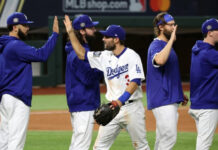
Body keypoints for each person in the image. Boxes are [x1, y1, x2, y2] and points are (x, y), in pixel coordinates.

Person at [64, 15, 150, 150]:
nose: (103, 39)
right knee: (99, 147)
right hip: (111, 109)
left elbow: (135, 81)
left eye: (107, 37)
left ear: (116, 39)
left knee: (141, 147)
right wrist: (70, 32)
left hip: (131, 108)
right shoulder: (104, 56)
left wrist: (120, 101)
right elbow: (81, 54)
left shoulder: (132, 56)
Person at [0, 12, 59, 150]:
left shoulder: (4, 45)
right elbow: (41, 55)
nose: (27, 28)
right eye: (25, 25)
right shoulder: (16, 46)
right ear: (14, 27)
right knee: (16, 142)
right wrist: (55, 35)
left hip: (6, 98)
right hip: (17, 97)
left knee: (4, 140)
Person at [146, 12, 188, 150]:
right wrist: (171, 41)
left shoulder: (165, 45)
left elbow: (170, 74)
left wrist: (179, 93)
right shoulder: (156, 45)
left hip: (169, 97)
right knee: (169, 137)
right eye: (170, 25)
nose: (173, 27)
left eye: (173, 24)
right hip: (162, 99)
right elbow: (160, 60)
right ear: (161, 27)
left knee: (162, 138)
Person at [65, 14, 103, 150]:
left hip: (79, 102)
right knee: (81, 145)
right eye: (90, 27)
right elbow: (88, 78)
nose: (94, 30)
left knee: (77, 143)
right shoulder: (77, 54)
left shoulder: (76, 51)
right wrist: (102, 68)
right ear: (82, 31)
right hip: (84, 104)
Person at [189, 18, 218, 150]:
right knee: (203, 146)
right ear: (210, 32)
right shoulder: (210, 54)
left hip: (197, 104)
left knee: (202, 142)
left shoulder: (197, 50)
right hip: (207, 106)